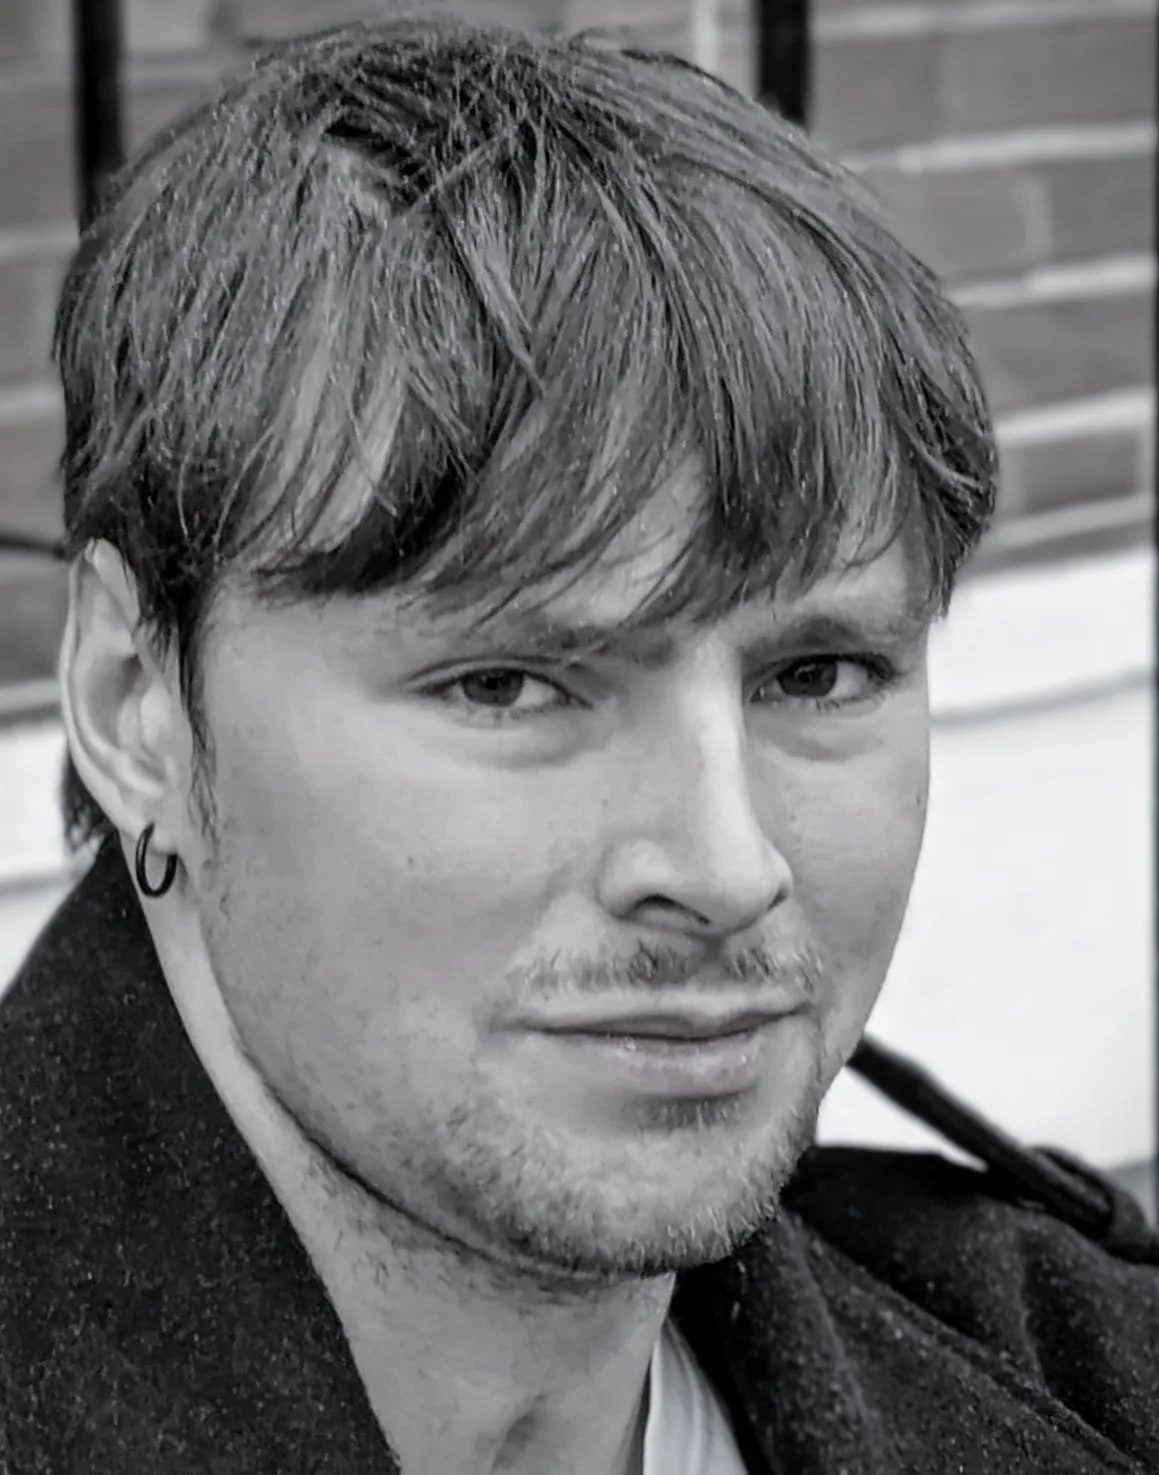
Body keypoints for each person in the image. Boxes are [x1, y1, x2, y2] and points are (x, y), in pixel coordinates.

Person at [1, 12, 1155, 1474]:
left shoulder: (1085, 1363)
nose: (725, 866)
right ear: (131, 703)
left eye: (816, 672)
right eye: (508, 684)